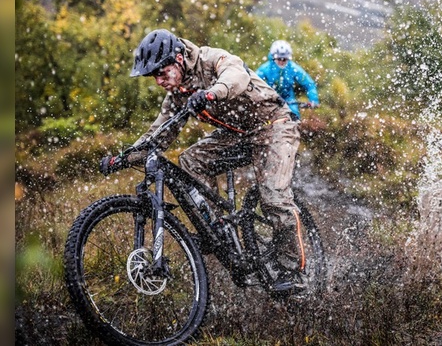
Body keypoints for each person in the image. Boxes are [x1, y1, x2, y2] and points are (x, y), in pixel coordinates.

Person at [106, 29, 306, 293]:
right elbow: (158, 134)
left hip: (275, 125)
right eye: (153, 76)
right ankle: (216, 229)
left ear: (179, 59)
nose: (158, 81)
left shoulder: (212, 59)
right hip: (238, 135)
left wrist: (212, 92)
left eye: (162, 73)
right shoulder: (177, 94)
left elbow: (237, 76)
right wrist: (123, 157)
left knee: (273, 196)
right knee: (191, 159)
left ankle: (294, 272)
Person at [256, 40, 319, 119]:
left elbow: (309, 84)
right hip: (270, 99)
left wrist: (313, 100)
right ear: (273, 57)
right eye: (279, 59)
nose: (282, 62)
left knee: (294, 117)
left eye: (284, 59)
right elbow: (255, 83)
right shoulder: (265, 69)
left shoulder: (293, 68)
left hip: (289, 101)